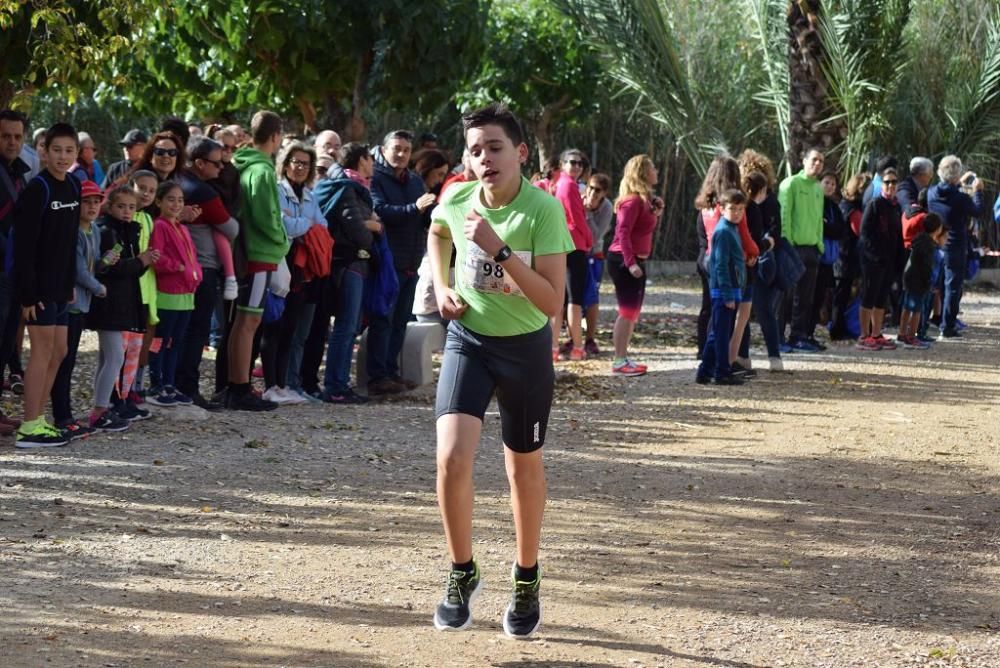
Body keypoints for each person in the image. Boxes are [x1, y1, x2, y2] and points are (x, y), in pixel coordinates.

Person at [427, 102, 573, 637]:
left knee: (521, 469)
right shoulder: (457, 196)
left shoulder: (543, 210)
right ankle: (462, 571)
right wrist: (442, 287)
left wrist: (501, 250)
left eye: (494, 148)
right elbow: (438, 233)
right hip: (469, 340)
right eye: (475, 150)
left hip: (525, 349)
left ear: (521, 154)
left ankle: (526, 576)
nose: (484, 158)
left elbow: (551, 302)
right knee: (451, 457)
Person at [11, 123, 82, 447]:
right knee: (40, 351)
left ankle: (40, 418)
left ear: (76, 154)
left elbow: (69, 243)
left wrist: (69, 284)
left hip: (60, 287)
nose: (62, 156)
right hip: (36, 289)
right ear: (45, 151)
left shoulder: (73, 185)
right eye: (57, 150)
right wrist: (27, 294)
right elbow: (24, 247)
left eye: (69, 151)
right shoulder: (37, 189)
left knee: (60, 350)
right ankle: (28, 426)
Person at [226, 110, 287, 410]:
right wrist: (282, 240)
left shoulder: (246, 164)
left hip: (248, 249)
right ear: (276, 137)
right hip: (259, 252)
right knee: (249, 320)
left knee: (243, 321)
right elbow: (266, 217)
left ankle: (236, 383)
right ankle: (239, 387)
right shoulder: (262, 171)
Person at [368, 129, 436, 395]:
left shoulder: (415, 182)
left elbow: (422, 218)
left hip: (411, 261)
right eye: (396, 148)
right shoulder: (375, 178)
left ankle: (390, 372)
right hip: (387, 262)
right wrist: (414, 208)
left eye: (406, 150)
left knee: (400, 322)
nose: (401, 154)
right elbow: (381, 212)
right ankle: (376, 376)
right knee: (382, 320)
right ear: (384, 150)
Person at [312, 142, 382, 403]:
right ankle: (336, 386)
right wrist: (372, 226)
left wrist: (369, 224)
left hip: (351, 263)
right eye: (370, 159)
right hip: (347, 263)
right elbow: (357, 231)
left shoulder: (353, 187)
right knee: (345, 326)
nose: (373, 164)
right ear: (362, 160)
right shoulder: (346, 188)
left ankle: (339, 383)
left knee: (348, 325)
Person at [174, 137, 240, 409]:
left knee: (182, 329)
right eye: (217, 163)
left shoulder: (179, 182)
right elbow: (231, 229)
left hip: (181, 267)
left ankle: (174, 385)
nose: (222, 168)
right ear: (200, 163)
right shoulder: (202, 192)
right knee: (197, 330)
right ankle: (188, 389)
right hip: (202, 267)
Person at [260, 141, 326, 404]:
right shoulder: (276, 191)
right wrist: (304, 223)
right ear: (285, 163)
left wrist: (300, 223)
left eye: (305, 163)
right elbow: (281, 224)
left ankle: (282, 383)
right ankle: (269, 384)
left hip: (302, 269)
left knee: (291, 327)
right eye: (295, 162)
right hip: (280, 261)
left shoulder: (311, 195)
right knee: (273, 325)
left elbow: (322, 225)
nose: (299, 167)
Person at [88, 185, 156, 428]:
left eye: (131, 207)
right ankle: (100, 410)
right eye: (121, 206)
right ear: (110, 206)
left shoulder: (130, 231)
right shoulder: (108, 231)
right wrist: (141, 260)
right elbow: (113, 268)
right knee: (115, 356)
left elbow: (132, 269)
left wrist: (143, 261)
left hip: (123, 301)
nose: (127, 211)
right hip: (108, 303)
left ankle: (100, 406)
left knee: (108, 357)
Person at [50, 180, 105, 440]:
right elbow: (79, 270)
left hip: (83, 304)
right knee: (64, 361)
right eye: (87, 201)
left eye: (97, 201)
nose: (93, 206)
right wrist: (99, 288)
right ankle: (62, 416)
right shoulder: (74, 232)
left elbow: (93, 263)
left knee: (69, 362)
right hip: (70, 303)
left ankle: (66, 414)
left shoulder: (94, 231)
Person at [148, 181, 201, 405]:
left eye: (180, 200)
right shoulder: (160, 226)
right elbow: (156, 256)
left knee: (175, 342)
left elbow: (192, 257)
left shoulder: (182, 228)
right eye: (171, 199)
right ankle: (156, 384)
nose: (176, 204)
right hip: (168, 294)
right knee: (161, 340)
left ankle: (170, 384)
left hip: (186, 296)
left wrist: (196, 273)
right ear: (159, 201)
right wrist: (178, 268)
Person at [606, 156, 661, 376]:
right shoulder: (632, 201)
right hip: (624, 260)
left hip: (637, 259)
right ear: (643, 172)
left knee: (632, 312)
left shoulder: (645, 200)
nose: (656, 171)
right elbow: (623, 233)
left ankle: (624, 356)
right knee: (626, 311)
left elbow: (642, 229)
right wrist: (630, 263)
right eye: (652, 168)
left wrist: (655, 210)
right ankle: (619, 360)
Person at [927, 155, 985, 339]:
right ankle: (947, 326)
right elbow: (978, 211)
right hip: (955, 245)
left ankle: (924, 324)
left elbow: (947, 190)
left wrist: (956, 182)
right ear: (956, 175)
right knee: (952, 287)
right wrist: (978, 192)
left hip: (935, 244)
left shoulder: (931, 192)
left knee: (934, 284)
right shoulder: (960, 198)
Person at [696, 189, 747, 386]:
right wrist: (727, 294)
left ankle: (705, 371)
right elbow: (720, 264)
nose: (737, 213)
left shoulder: (731, 228)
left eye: (740, 209)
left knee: (718, 331)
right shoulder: (724, 231)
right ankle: (722, 372)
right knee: (721, 333)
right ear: (722, 208)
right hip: (724, 290)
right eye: (732, 209)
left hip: (731, 288)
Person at [0, 109, 31, 435]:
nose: (12, 142)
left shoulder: (19, 174)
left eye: (17, 136)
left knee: (7, 343)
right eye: (6, 135)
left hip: (13, 271)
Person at [778, 148, 825, 352]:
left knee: (805, 297)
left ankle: (798, 335)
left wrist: (819, 244)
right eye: (814, 159)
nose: (817, 164)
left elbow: (818, 219)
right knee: (786, 295)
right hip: (793, 248)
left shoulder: (817, 188)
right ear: (804, 160)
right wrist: (786, 245)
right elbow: (784, 215)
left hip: (812, 249)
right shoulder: (790, 184)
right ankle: (778, 337)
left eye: (821, 161)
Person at [551, 148, 593, 361]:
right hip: (574, 246)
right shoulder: (568, 186)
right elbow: (577, 219)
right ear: (562, 163)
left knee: (561, 299)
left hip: (563, 244)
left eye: (580, 163)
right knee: (574, 300)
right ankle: (577, 347)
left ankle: (554, 348)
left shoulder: (561, 184)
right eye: (572, 162)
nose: (577, 166)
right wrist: (589, 240)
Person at [856, 168, 902, 351]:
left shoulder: (896, 207)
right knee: (869, 295)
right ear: (881, 184)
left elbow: (897, 235)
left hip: (889, 260)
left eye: (894, 182)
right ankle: (864, 335)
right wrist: (874, 255)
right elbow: (864, 232)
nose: (890, 185)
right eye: (887, 182)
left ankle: (876, 333)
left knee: (881, 298)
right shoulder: (874, 204)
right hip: (872, 260)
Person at [809, 171, 847, 347]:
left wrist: (828, 226)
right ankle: (803, 333)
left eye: (833, 184)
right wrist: (828, 227)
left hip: (828, 259)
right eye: (827, 182)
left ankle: (810, 333)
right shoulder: (814, 202)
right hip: (815, 253)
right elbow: (819, 225)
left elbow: (840, 230)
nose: (830, 186)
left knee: (819, 298)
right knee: (809, 296)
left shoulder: (833, 206)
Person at [898, 213, 946, 348]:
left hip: (909, 277)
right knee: (917, 310)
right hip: (918, 281)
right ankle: (911, 336)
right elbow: (926, 266)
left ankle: (902, 333)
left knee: (907, 307)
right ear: (937, 229)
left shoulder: (918, 240)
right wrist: (928, 281)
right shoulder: (928, 245)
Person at [581, 173, 613, 356]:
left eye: (597, 190)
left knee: (592, 297)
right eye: (590, 187)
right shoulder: (578, 197)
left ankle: (590, 338)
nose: (592, 192)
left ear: (604, 193)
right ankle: (573, 337)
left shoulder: (606, 208)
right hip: (575, 253)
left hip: (594, 254)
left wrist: (588, 214)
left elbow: (595, 237)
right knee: (574, 299)